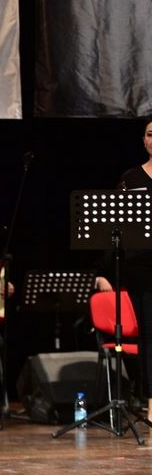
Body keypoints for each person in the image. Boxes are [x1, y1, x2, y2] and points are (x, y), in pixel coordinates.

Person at [94, 116, 152, 418]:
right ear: (143, 140)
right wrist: (102, 272)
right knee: (150, 335)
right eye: (151, 134)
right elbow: (113, 229)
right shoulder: (131, 178)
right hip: (143, 266)